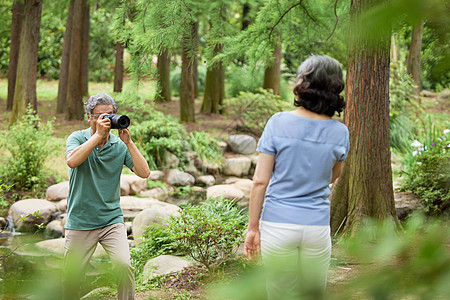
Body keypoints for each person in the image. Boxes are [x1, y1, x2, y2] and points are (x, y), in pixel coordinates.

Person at [244, 55, 349, 299]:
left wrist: (252, 227)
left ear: (304, 84)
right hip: (317, 226)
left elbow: (260, 181)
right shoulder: (340, 131)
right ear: (335, 87)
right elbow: (334, 175)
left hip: (278, 225)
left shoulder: (278, 123)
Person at [63, 93, 150, 300]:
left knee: (124, 266)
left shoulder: (118, 145)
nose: (106, 120)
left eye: (110, 115)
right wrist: (97, 136)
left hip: (111, 221)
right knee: (71, 278)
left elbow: (144, 172)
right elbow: (72, 161)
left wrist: (129, 143)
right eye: (100, 116)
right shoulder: (77, 138)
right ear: (89, 117)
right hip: (80, 221)